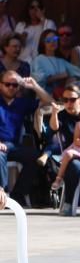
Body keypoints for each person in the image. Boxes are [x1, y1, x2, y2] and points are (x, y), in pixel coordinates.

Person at [0, 73, 52, 203]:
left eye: (15, 85)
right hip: (0, 147)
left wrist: (35, 86)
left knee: (36, 157)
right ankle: (3, 194)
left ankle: (18, 194)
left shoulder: (22, 103)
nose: (11, 87)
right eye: (8, 84)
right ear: (0, 85)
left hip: (14, 146)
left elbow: (50, 103)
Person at [32, 29, 80, 95]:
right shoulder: (38, 60)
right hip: (45, 99)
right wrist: (60, 76)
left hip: (64, 98)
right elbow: (38, 81)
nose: (52, 42)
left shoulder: (61, 61)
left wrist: (70, 78)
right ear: (43, 43)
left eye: (55, 39)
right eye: (48, 40)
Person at [14, 0, 56, 65]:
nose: (35, 10)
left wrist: (42, 18)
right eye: (32, 7)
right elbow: (14, 44)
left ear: (43, 10)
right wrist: (21, 39)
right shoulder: (21, 25)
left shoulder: (49, 23)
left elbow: (49, 39)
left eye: (38, 7)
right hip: (22, 61)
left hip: (42, 63)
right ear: (28, 10)